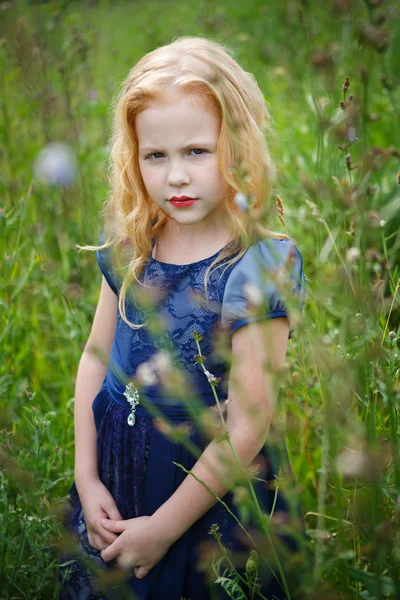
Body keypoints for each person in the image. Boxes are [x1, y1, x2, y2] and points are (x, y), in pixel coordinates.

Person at [57, 36, 306, 600]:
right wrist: (86, 472)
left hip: (206, 491)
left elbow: (247, 426)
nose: (175, 177)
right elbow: (96, 360)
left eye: (197, 151)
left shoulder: (257, 266)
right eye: (156, 156)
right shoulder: (132, 243)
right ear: (134, 156)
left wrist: (164, 529)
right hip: (118, 470)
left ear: (237, 145)